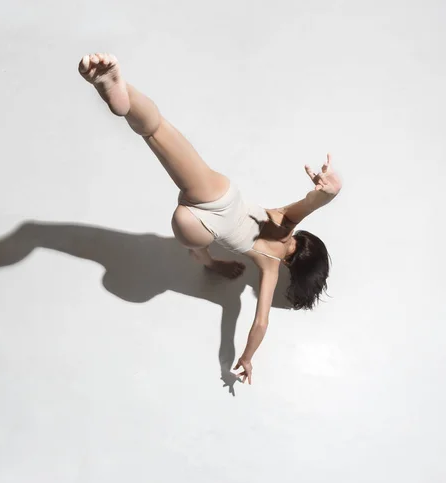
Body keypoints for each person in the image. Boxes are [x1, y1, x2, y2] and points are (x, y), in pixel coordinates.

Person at [78, 53, 342, 385]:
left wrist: (330, 193)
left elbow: (311, 202)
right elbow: (260, 323)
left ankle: (117, 86)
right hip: (194, 229)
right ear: (294, 268)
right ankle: (211, 264)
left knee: (156, 129)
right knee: (198, 247)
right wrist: (245, 358)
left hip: (214, 196)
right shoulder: (271, 269)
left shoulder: (287, 222)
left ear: (304, 241)